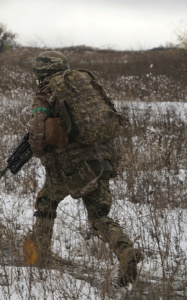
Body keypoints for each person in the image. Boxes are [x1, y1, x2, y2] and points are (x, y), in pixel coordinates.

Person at [25, 51, 142, 287]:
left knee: (46, 202)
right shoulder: (81, 87)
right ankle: (124, 249)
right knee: (99, 215)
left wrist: (37, 149)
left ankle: (40, 261)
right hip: (102, 159)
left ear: (41, 73)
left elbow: (37, 136)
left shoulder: (45, 94)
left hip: (70, 167)